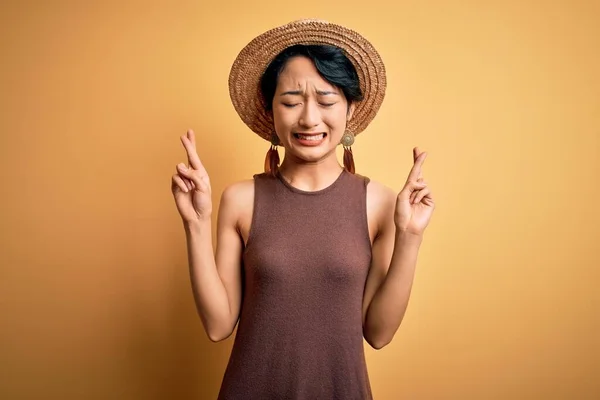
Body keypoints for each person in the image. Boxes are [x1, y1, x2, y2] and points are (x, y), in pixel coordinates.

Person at [171, 19, 435, 400]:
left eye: (327, 101)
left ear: (350, 109)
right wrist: (196, 223)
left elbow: (379, 334)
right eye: (291, 102)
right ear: (271, 111)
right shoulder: (240, 200)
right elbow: (218, 325)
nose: (309, 118)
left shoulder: (380, 204)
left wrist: (410, 238)